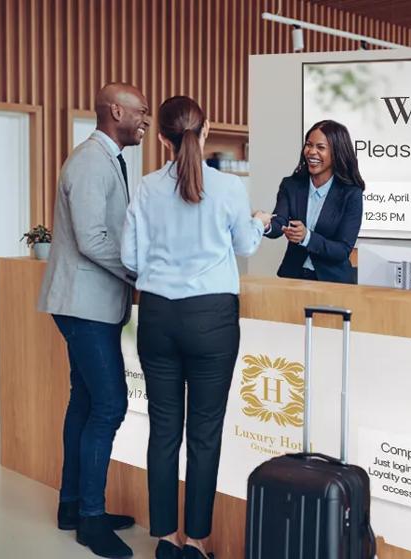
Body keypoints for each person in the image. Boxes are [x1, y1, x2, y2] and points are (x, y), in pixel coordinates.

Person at [121, 96, 270, 559]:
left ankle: (166, 538)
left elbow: (129, 258)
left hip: (159, 318)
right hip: (212, 320)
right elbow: (245, 244)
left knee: (164, 430)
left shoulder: (145, 188)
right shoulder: (229, 188)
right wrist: (259, 223)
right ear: (204, 133)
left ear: (162, 139)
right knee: (205, 433)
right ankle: (198, 542)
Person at [38, 83, 150, 559]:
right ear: (115, 111)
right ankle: (90, 518)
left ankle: (72, 506)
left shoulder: (107, 160)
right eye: (140, 111)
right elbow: (91, 238)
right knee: (109, 406)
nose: (144, 118)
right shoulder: (89, 161)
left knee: (84, 403)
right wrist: (137, 271)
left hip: (92, 305)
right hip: (84, 306)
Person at [264, 119, 364, 283]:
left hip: (332, 283)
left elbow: (343, 250)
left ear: (336, 152)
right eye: (309, 145)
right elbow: (279, 222)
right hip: (293, 278)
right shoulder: (291, 186)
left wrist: (307, 237)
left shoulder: (350, 194)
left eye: (320, 147)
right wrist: (266, 224)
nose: (311, 152)